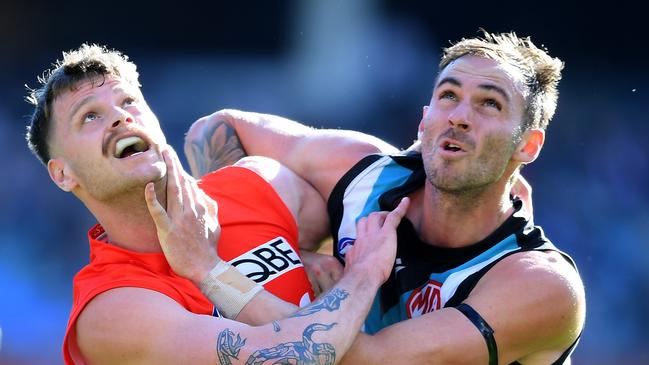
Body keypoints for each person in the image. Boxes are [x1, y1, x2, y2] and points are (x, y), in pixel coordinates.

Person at [185, 31, 586, 364]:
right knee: (265, 179)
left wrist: (213, 271)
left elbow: (360, 359)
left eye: (489, 104)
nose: (459, 116)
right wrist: (285, 252)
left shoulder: (540, 285)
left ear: (528, 146)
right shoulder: (364, 174)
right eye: (449, 95)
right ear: (424, 119)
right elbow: (215, 128)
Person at [25, 44, 410, 365]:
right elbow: (286, 358)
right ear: (63, 174)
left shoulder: (256, 183)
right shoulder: (111, 308)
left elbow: (383, 202)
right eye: (90, 116)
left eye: (128, 101)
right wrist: (363, 276)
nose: (120, 117)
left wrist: (308, 251)